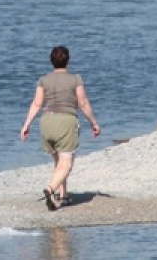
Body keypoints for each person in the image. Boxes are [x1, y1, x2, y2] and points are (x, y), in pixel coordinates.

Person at [20, 46, 100, 211]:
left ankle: (63, 195)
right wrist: (94, 123)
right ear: (68, 60)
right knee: (67, 163)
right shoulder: (75, 79)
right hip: (65, 122)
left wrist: (26, 124)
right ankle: (50, 190)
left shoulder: (44, 80)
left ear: (51, 62)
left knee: (59, 161)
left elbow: (37, 104)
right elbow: (83, 103)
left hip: (47, 122)